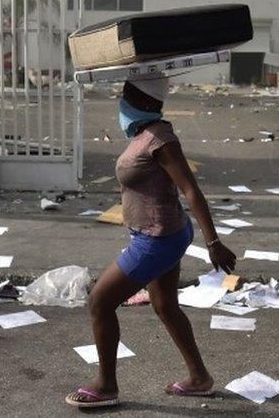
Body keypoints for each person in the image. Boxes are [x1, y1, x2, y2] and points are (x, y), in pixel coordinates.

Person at [65, 78, 237, 408]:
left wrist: (213, 241)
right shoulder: (145, 135)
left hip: (158, 239)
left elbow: (190, 190)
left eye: (126, 95)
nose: (120, 101)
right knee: (164, 304)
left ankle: (106, 385)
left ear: (144, 103)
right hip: (162, 232)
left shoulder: (160, 139)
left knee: (99, 302)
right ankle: (199, 378)